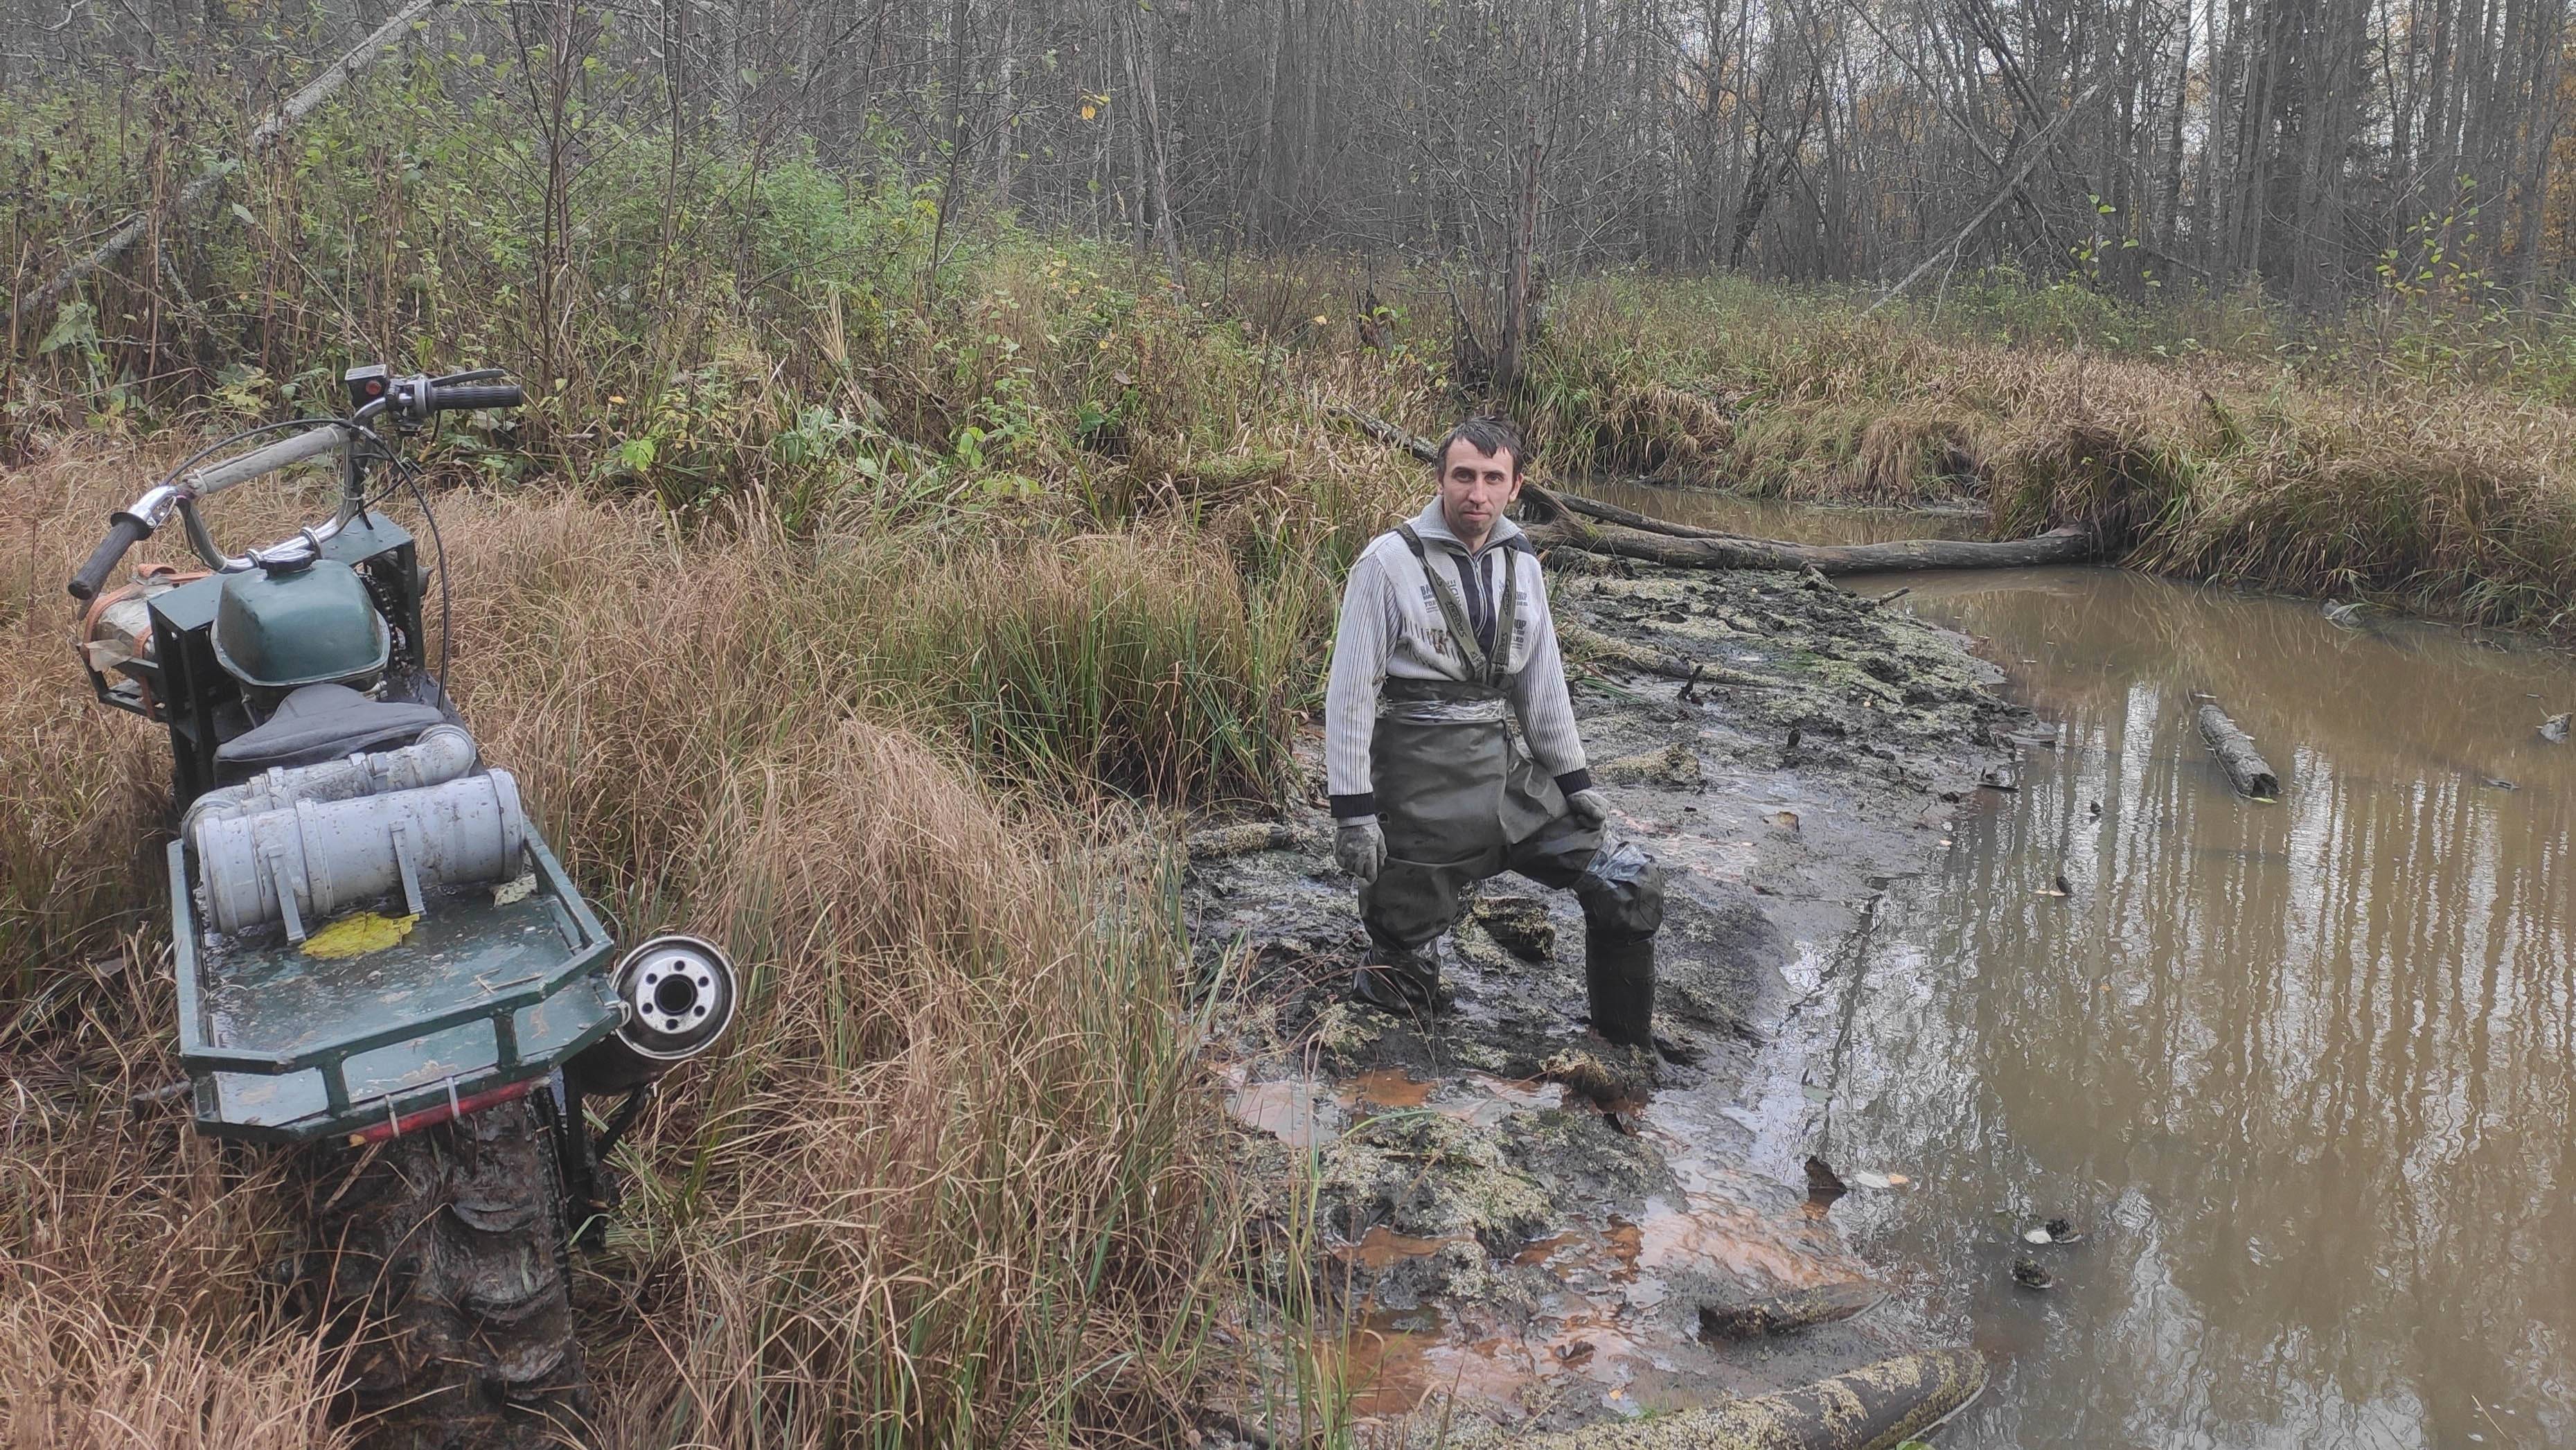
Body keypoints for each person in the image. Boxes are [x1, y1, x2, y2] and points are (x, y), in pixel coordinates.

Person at [1323, 416, 1664, 1047]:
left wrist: (1574, 781)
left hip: (1502, 780)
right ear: (1439, 479)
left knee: (1627, 884)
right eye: (1463, 476)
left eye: (1491, 478)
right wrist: (1353, 814)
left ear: (1515, 486)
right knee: (1399, 985)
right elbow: (1349, 695)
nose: (1475, 493)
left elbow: (1541, 680)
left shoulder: (1521, 561)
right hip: (1415, 794)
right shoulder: (1385, 563)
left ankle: (1624, 1058)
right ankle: (1393, 1070)